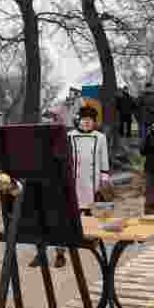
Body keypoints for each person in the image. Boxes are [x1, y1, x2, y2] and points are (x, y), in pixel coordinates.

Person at [39, 106, 111, 269]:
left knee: (93, 218)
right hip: (72, 183)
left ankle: (93, 247)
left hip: (92, 184)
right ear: (79, 120)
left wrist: (104, 178)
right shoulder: (69, 136)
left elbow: (104, 160)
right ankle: (60, 252)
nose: (86, 123)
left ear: (94, 122)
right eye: (84, 120)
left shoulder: (100, 138)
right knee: (65, 219)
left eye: (90, 120)